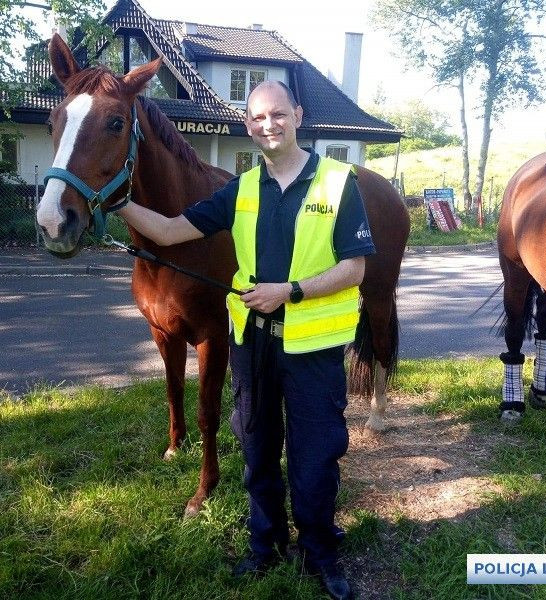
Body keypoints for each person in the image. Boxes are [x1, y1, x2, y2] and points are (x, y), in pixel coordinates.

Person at [115, 80, 375, 600]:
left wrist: (291, 291)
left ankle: (320, 550)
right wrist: (117, 202)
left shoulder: (337, 183)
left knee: (315, 455)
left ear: (298, 116)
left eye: (277, 114)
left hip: (312, 348)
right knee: (256, 446)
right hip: (253, 345)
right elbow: (168, 231)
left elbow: (355, 267)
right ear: (248, 125)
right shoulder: (243, 190)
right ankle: (265, 544)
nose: (268, 125)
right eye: (257, 118)